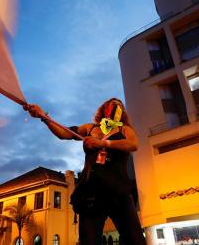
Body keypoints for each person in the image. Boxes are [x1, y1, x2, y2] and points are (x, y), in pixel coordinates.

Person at [24, 98, 145, 245]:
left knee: (135, 239)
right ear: (103, 108)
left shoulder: (124, 129)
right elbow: (64, 133)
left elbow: (133, 144)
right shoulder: (90, 128)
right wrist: (43, 116)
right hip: (91, 191)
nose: (114, 106)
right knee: (89, 241)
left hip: (118, 190)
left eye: (118, 105)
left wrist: (103, 143)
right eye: (111, 104)